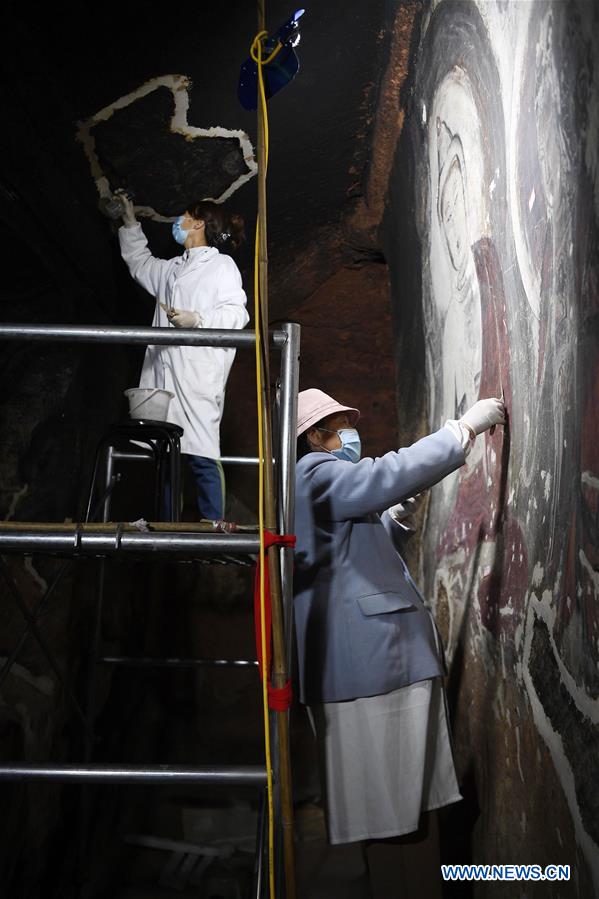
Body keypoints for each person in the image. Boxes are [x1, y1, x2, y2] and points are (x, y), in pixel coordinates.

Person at [294, 388, 505, 887]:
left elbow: (347, 557)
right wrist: (463, 430)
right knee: (394, 814)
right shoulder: (313, 472)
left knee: (399, 808)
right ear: (313, 436)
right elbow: (381, 475)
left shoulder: (321, 484)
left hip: (379, 662)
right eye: (340, 425)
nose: (351, 433)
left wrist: (394, 519)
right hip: (373, 668)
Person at [117, 195, 249, 520]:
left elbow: (236, 314)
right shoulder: (172, 269)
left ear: (199, 223)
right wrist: (131, 224)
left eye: (184, 216)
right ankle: (166, 524)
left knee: (202, 451)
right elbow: (140, 263)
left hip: (197, 373)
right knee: (166, 452)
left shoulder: (221, 267)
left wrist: (197, 320)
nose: (179, 221)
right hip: (165, 373)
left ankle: (213, 522)